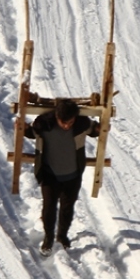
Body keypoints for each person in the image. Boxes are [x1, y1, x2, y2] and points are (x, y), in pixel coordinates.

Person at [21, 98, 100, 255]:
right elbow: (32, 133)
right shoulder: (44, 123)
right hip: (49, 174)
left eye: (70, 122)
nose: (66, 126)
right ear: (57, 116)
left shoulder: (82, 123)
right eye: (63, 122)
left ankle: (62, 236)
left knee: (67, 208)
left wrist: (100, 128)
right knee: (49, 208)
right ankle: (48, 238)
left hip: (73, 174)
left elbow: (94, 130)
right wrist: (23, 128)